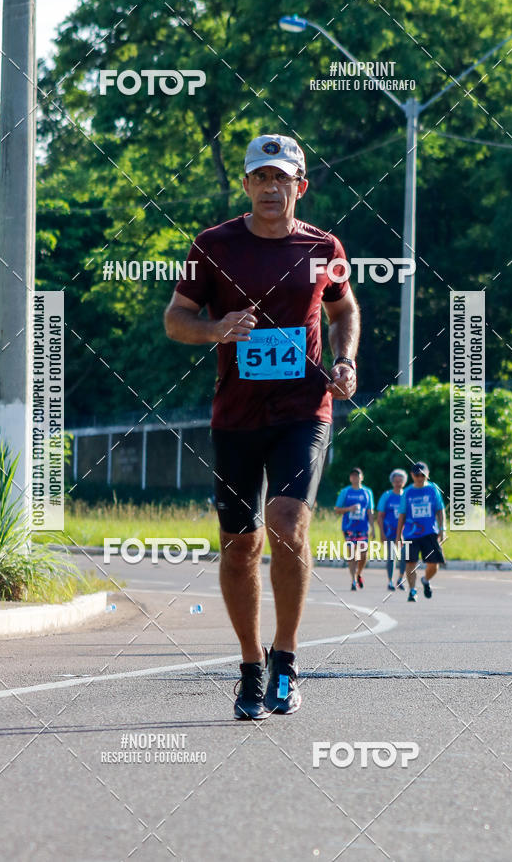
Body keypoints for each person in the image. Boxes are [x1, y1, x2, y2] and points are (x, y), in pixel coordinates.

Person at [164, 134, 360, 719]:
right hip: (237, 414)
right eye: (261, 178)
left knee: (286, 522)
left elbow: (344, 307)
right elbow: (176, 320)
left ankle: (287, 659)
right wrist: (216, 328)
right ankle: (250, 663)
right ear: (246, 185)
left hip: (305, 408)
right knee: (239, 544)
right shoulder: (213, 245)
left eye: (283, 179)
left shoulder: (323, 246)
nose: (271, 189)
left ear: (300, 187)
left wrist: (346, 360)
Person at [396, 461, 446, 602]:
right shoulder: (408, 492)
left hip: (430, 532)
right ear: (412, 475)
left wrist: (442, 529)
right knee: (410, 562)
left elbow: (440, 510)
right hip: (412, 533)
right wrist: (398, 534)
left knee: (434, 564)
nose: (420, 478)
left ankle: (425, 580)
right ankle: (412, 590)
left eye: (423, 475)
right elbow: (402, 514)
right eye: (417, 475)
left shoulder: (433, 489)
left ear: (427, 475)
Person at [334, 468, 375, 590]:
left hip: (363, 527)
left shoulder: (367, 492)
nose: (355, 478)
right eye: (352, 476)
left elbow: (370, 511)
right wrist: (349, 509)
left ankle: (359, 574)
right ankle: (353, 580)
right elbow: (337, 509)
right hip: (349, 527)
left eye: (357, 475)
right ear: (350, 478)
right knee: (351, 554)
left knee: (363, 554)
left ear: (361, 477)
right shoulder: (345, 492)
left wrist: (373, 527)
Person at [376, 469, 408, 591]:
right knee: (391, 556)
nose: (398, 483)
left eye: (400, 481)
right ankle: (390, 581)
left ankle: (400, 578)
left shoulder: (406, 495)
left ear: (404, 482)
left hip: (405, 532)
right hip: (390, 531)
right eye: (396, 481)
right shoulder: (387, 496)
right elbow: (380, 516)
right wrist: (382, 533)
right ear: (392, 482)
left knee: (405, 556)